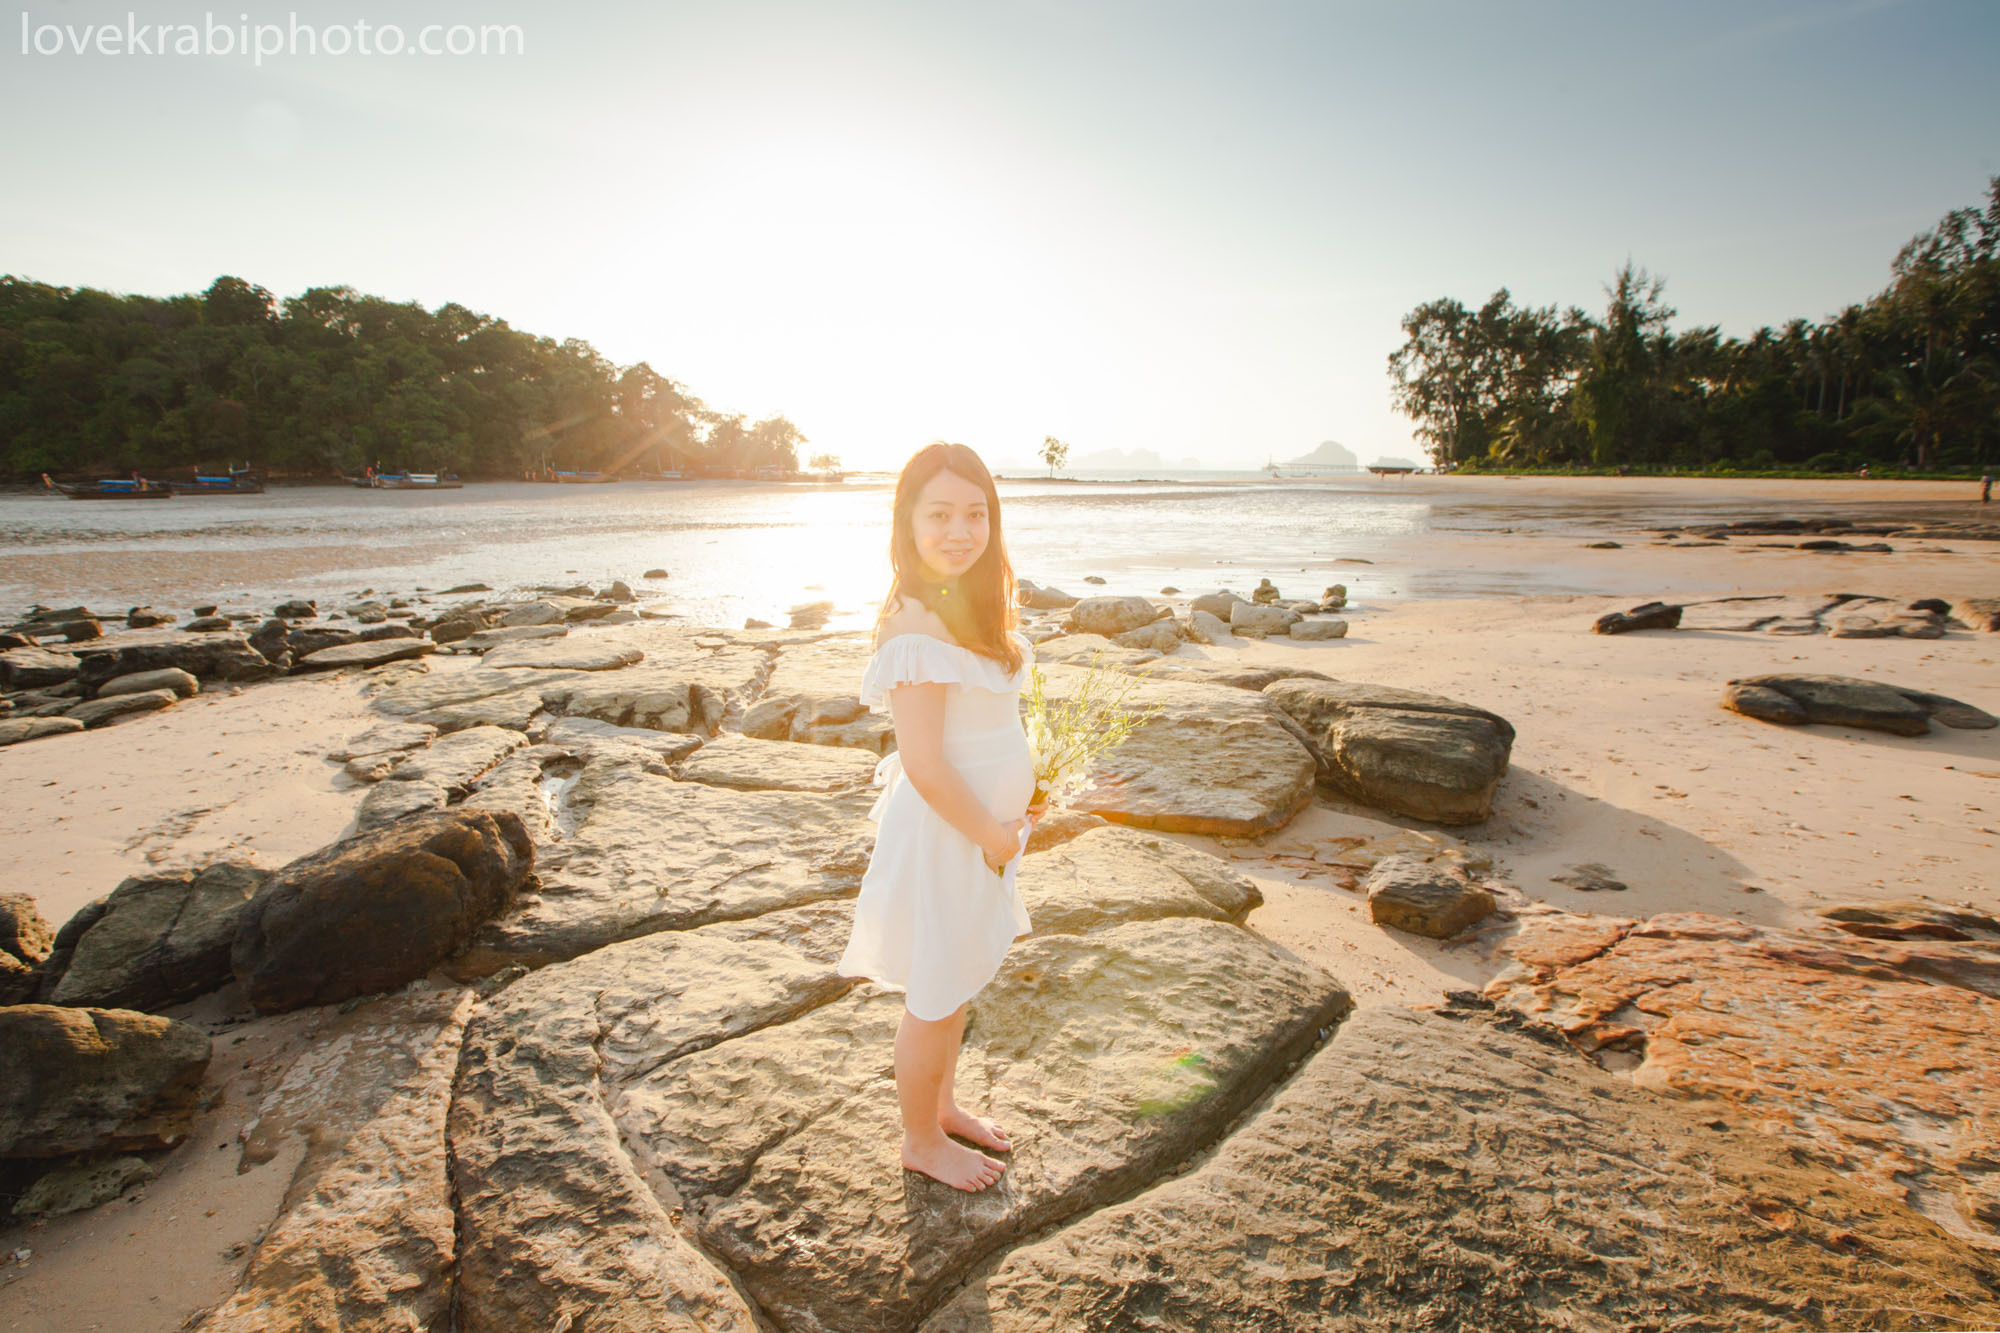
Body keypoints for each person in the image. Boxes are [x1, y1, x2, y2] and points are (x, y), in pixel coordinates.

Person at [838, 441, 1041, 1193]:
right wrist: (993, 836)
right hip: (950, 832)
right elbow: (924, 762)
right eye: (940, 515)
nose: (960, 531)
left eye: (975, 514)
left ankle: (943, 1105)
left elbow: (987, 724)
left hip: (985, 832)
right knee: (934, 992)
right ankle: (920, 1139)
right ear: (908, 523)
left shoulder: (971, 606)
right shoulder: (914, 624)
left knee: (955, 979)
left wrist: (1027, 794)